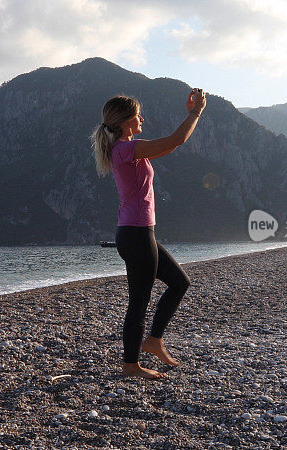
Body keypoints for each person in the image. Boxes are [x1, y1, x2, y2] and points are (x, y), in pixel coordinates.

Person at [90, 89, 206, 379]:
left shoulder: (127, 148)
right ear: (125, 121)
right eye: (138, 114)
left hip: (139, 233)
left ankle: (153, 341)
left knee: (179, 282)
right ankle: (131, 365)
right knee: (139, 301)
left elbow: (169, 146)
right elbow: (174, 141)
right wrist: (195, 113)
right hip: (136, 234)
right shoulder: (124, 149)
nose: (142, 118)